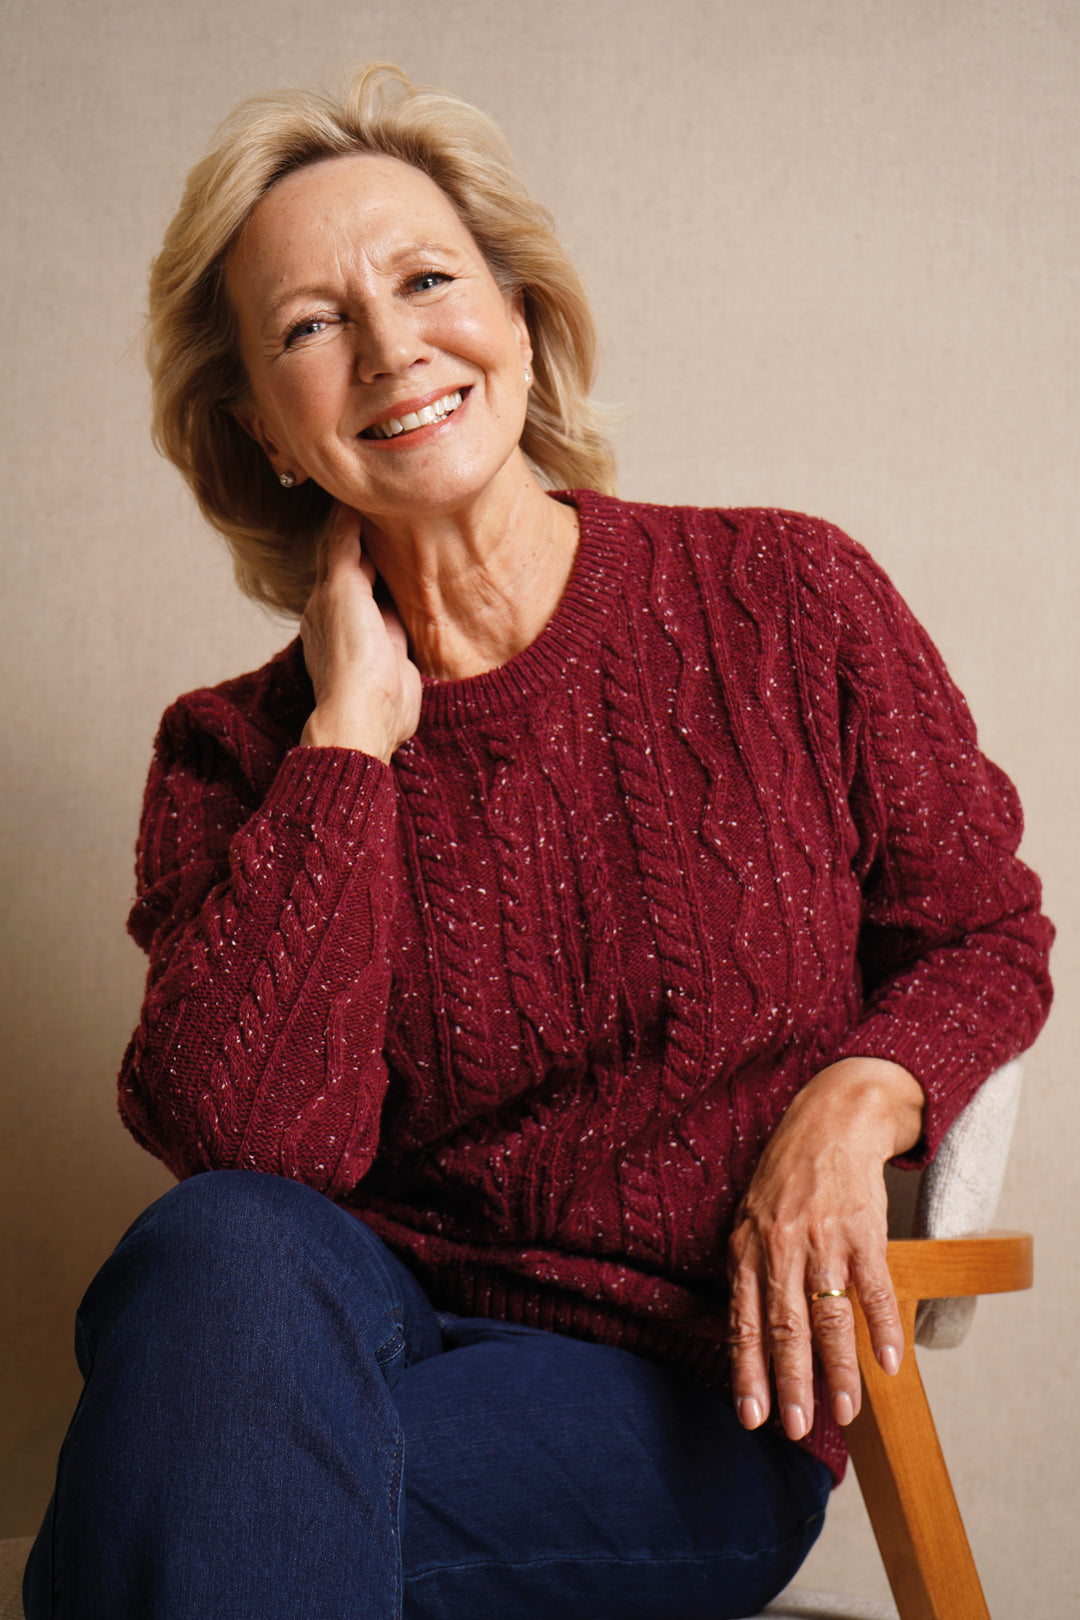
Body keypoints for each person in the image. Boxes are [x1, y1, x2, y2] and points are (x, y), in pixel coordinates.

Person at [24, 63, 1052, 1620]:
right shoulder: (238, 752)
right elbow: (259, 1154)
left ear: (516, 314)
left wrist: (861, 1092)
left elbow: (983, 928)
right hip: (340, 1330)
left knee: (165, 1509)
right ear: (264, 428)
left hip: (680, 1392)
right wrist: (351, 743)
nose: (391, 348)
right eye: (310, 326)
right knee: (223, 1242)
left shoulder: (785, 600)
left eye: (429, 280)